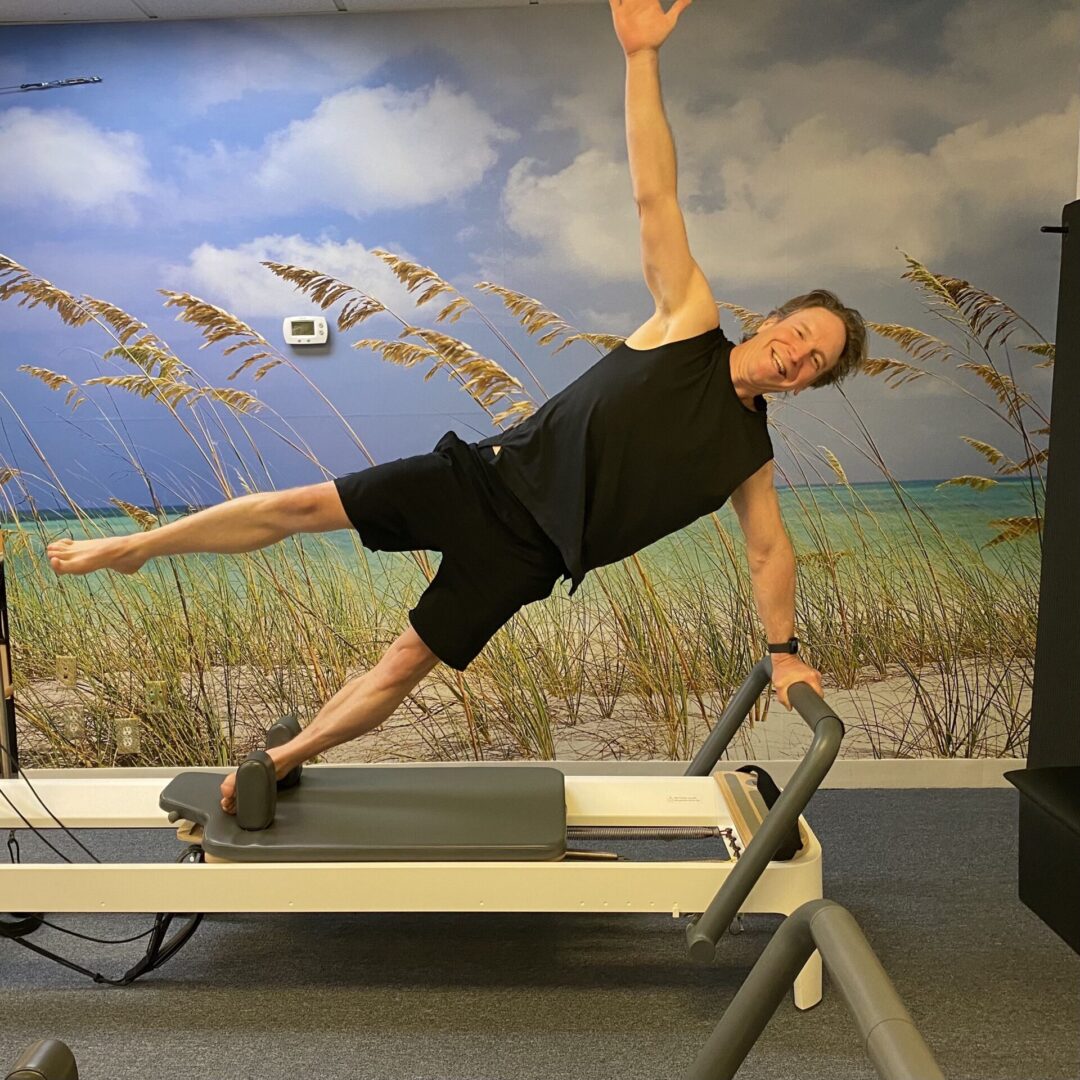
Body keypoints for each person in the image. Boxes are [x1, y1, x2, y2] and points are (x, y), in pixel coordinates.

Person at [46, 0, 866, 814]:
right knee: (300, 505)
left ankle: (285, 757)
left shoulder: (746, 455)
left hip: (528, 558)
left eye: (814, 359)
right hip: (481, 479)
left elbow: (769, 555)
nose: (795, 351)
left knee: (403, 664)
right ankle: (139, 548)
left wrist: (785, 653)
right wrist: (641, 59)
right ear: (771, 321)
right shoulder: (687, 321)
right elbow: (656, 198)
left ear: (806, 384)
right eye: (798, 331)